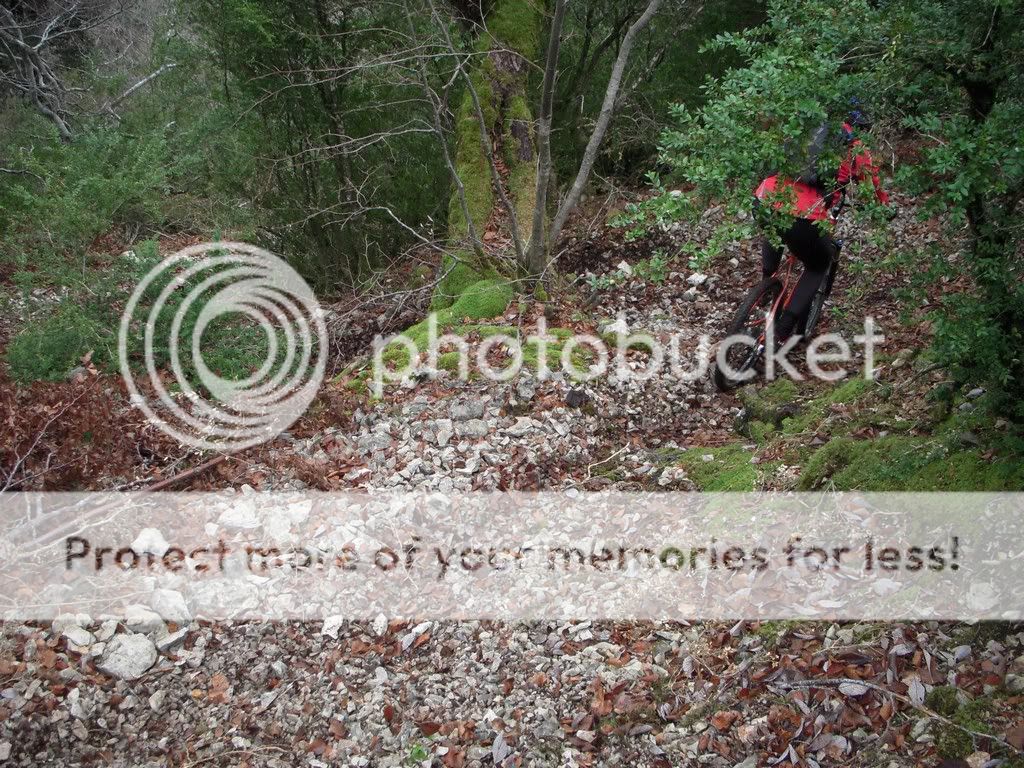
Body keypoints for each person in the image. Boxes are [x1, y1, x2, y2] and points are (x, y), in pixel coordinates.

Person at [753, 109, 892, 342]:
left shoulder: (804, 125)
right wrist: (883, 208)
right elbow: (872, 185)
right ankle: (783, 330)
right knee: (818, 264)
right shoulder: (853, 146)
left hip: (764, 198)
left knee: (777, 225)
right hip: (805, 212)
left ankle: (766, 285)